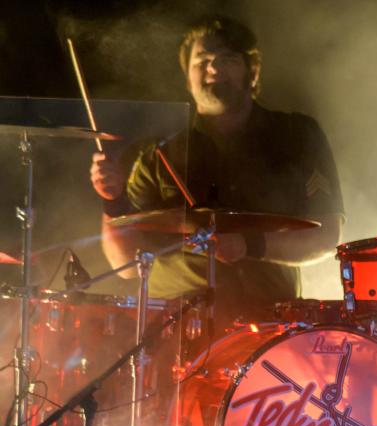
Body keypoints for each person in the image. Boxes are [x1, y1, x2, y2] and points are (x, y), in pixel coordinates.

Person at [90, 15, 344, 325]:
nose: (213, 69)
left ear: (254, 71)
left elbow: (327, 236)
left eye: (227, 59)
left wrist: (249, 245)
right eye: (202, 60)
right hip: (176, 327)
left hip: (268, 325)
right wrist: (111, 199)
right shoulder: (157, 154)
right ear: (188, 77)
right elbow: (126, 264)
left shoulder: (297, 135)